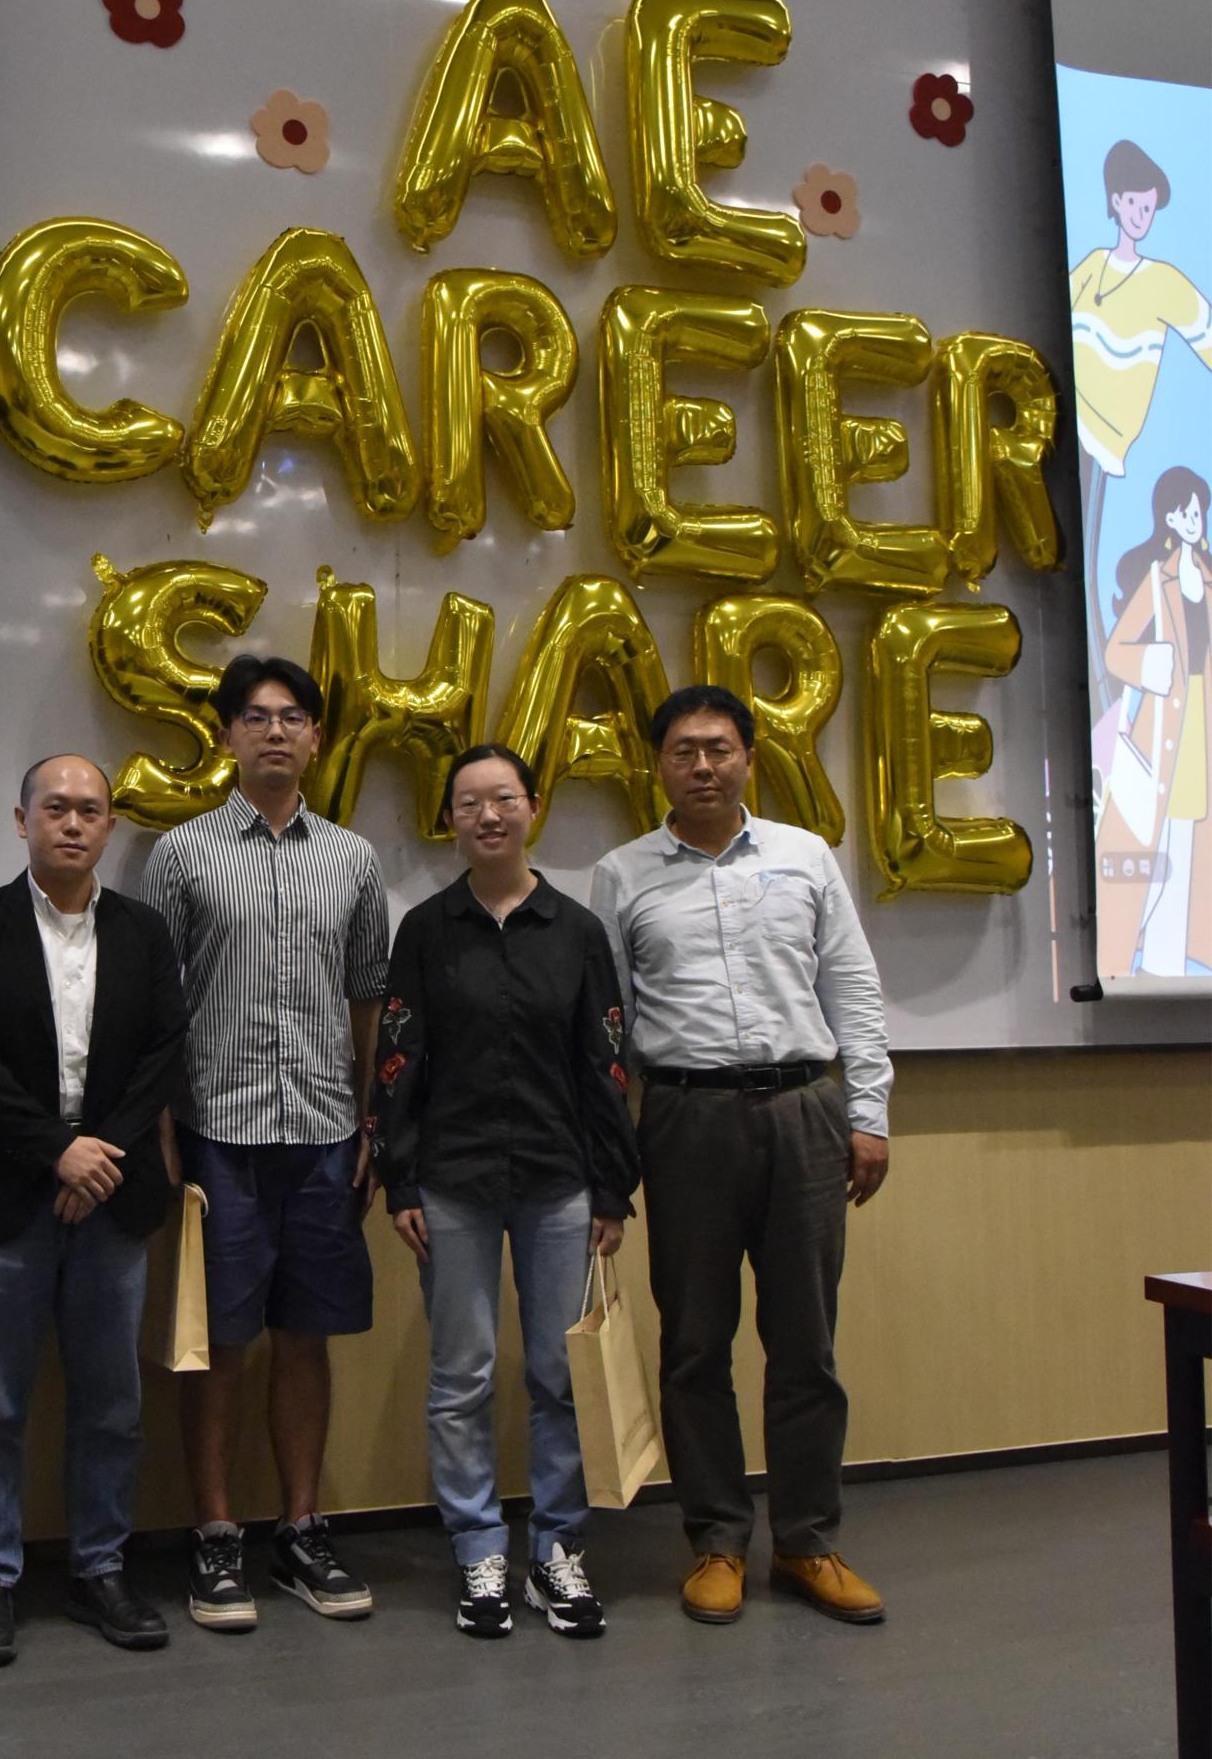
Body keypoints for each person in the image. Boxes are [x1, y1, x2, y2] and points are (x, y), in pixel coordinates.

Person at [590, 685, 892, 1628]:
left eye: (719, 748)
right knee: (694, 1344)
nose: (703, 766)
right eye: (683, 751)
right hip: (685, 1121)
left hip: (805, 1111)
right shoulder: (622, 875)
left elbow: (853, 987)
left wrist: (868, 1113)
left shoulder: (805, 857)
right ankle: (716, 1540)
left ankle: (808, 1541)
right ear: (659, 766)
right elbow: (609, 1030)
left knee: (806, 1344)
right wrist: (612, 1160)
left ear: (750, 758)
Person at [372, 744, 639, 1640]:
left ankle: (559, 1550)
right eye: (468, 804)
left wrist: (612, 1185)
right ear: (450, 820)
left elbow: (607, 1062)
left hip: (561, 1182)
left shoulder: (577, 930)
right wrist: (399, 1177)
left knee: (562, 1375)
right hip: (451, 1181)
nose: (487, 816)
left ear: (533, 808)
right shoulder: (425, 931)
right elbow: (398, 1058)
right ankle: (478, 1549)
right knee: (463, 1376)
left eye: (503, 799)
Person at [143, 654, 388, 1631]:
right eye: (255, 716)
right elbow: (157, 1005)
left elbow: (366, 997)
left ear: (316, 738)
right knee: (217, 1344)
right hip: (219, 1134)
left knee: (305, 1336)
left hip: (325, 1131)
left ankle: (300, 1527)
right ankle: (214, 1533)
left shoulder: (353, 860)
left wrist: (367, 1118)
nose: (274, 731)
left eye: (292, 717)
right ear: (228, 735)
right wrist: (163, 1125)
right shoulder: (181, 855)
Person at [0, 754, 188, 1666]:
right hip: (4, 1194)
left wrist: (97, 1154)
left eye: (89, 810)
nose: (73, 823)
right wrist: (54, 1151)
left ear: (110, 825)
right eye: (55, 808)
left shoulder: (144, 932)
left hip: (111, 1194)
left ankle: (100, 1568)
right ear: (21, 819)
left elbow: (165, 1049)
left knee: (112, 1402)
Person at [1067, 140, 1212, 703]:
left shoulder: (1163, 281)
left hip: (1105, 439)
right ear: (1114, 202)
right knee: (1076, 554)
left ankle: (1108, 686)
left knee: (1089, 559)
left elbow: (1204, 333)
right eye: (1132, 204)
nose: (1140, 216)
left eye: (1148, 207)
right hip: (1064, 421)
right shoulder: (1093, 267)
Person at [1094, 465, 1211, 976]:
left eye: (1199, 511)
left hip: (1204, 721)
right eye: (1187, 512)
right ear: (1169, 518)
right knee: (1167, 838)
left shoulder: (1209, 576)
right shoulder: (1158, 580)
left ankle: (1178, 955)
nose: (1195, 520)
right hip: (1167, 725)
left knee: (1195, 841)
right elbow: (1116, 651)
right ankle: (1159, 961)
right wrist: (1151, 666)